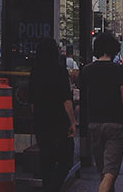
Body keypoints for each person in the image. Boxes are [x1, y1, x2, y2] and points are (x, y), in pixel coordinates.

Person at [79, 31, 123, 192]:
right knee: (110, 171)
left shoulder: (88, 70)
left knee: (103, 171)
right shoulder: (118, 71)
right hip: (115, 124)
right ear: (114, 49)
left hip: (94, 123)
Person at [30, 37, 77, 191]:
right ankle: (53, 187)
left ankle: (48, 186)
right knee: (66, 159)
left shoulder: (35, 71)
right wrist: (72, 121)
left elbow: (32, 100)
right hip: (58, 120)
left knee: (47, 159)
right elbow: (66, 100)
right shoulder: (59, 70)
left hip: (41, 120)